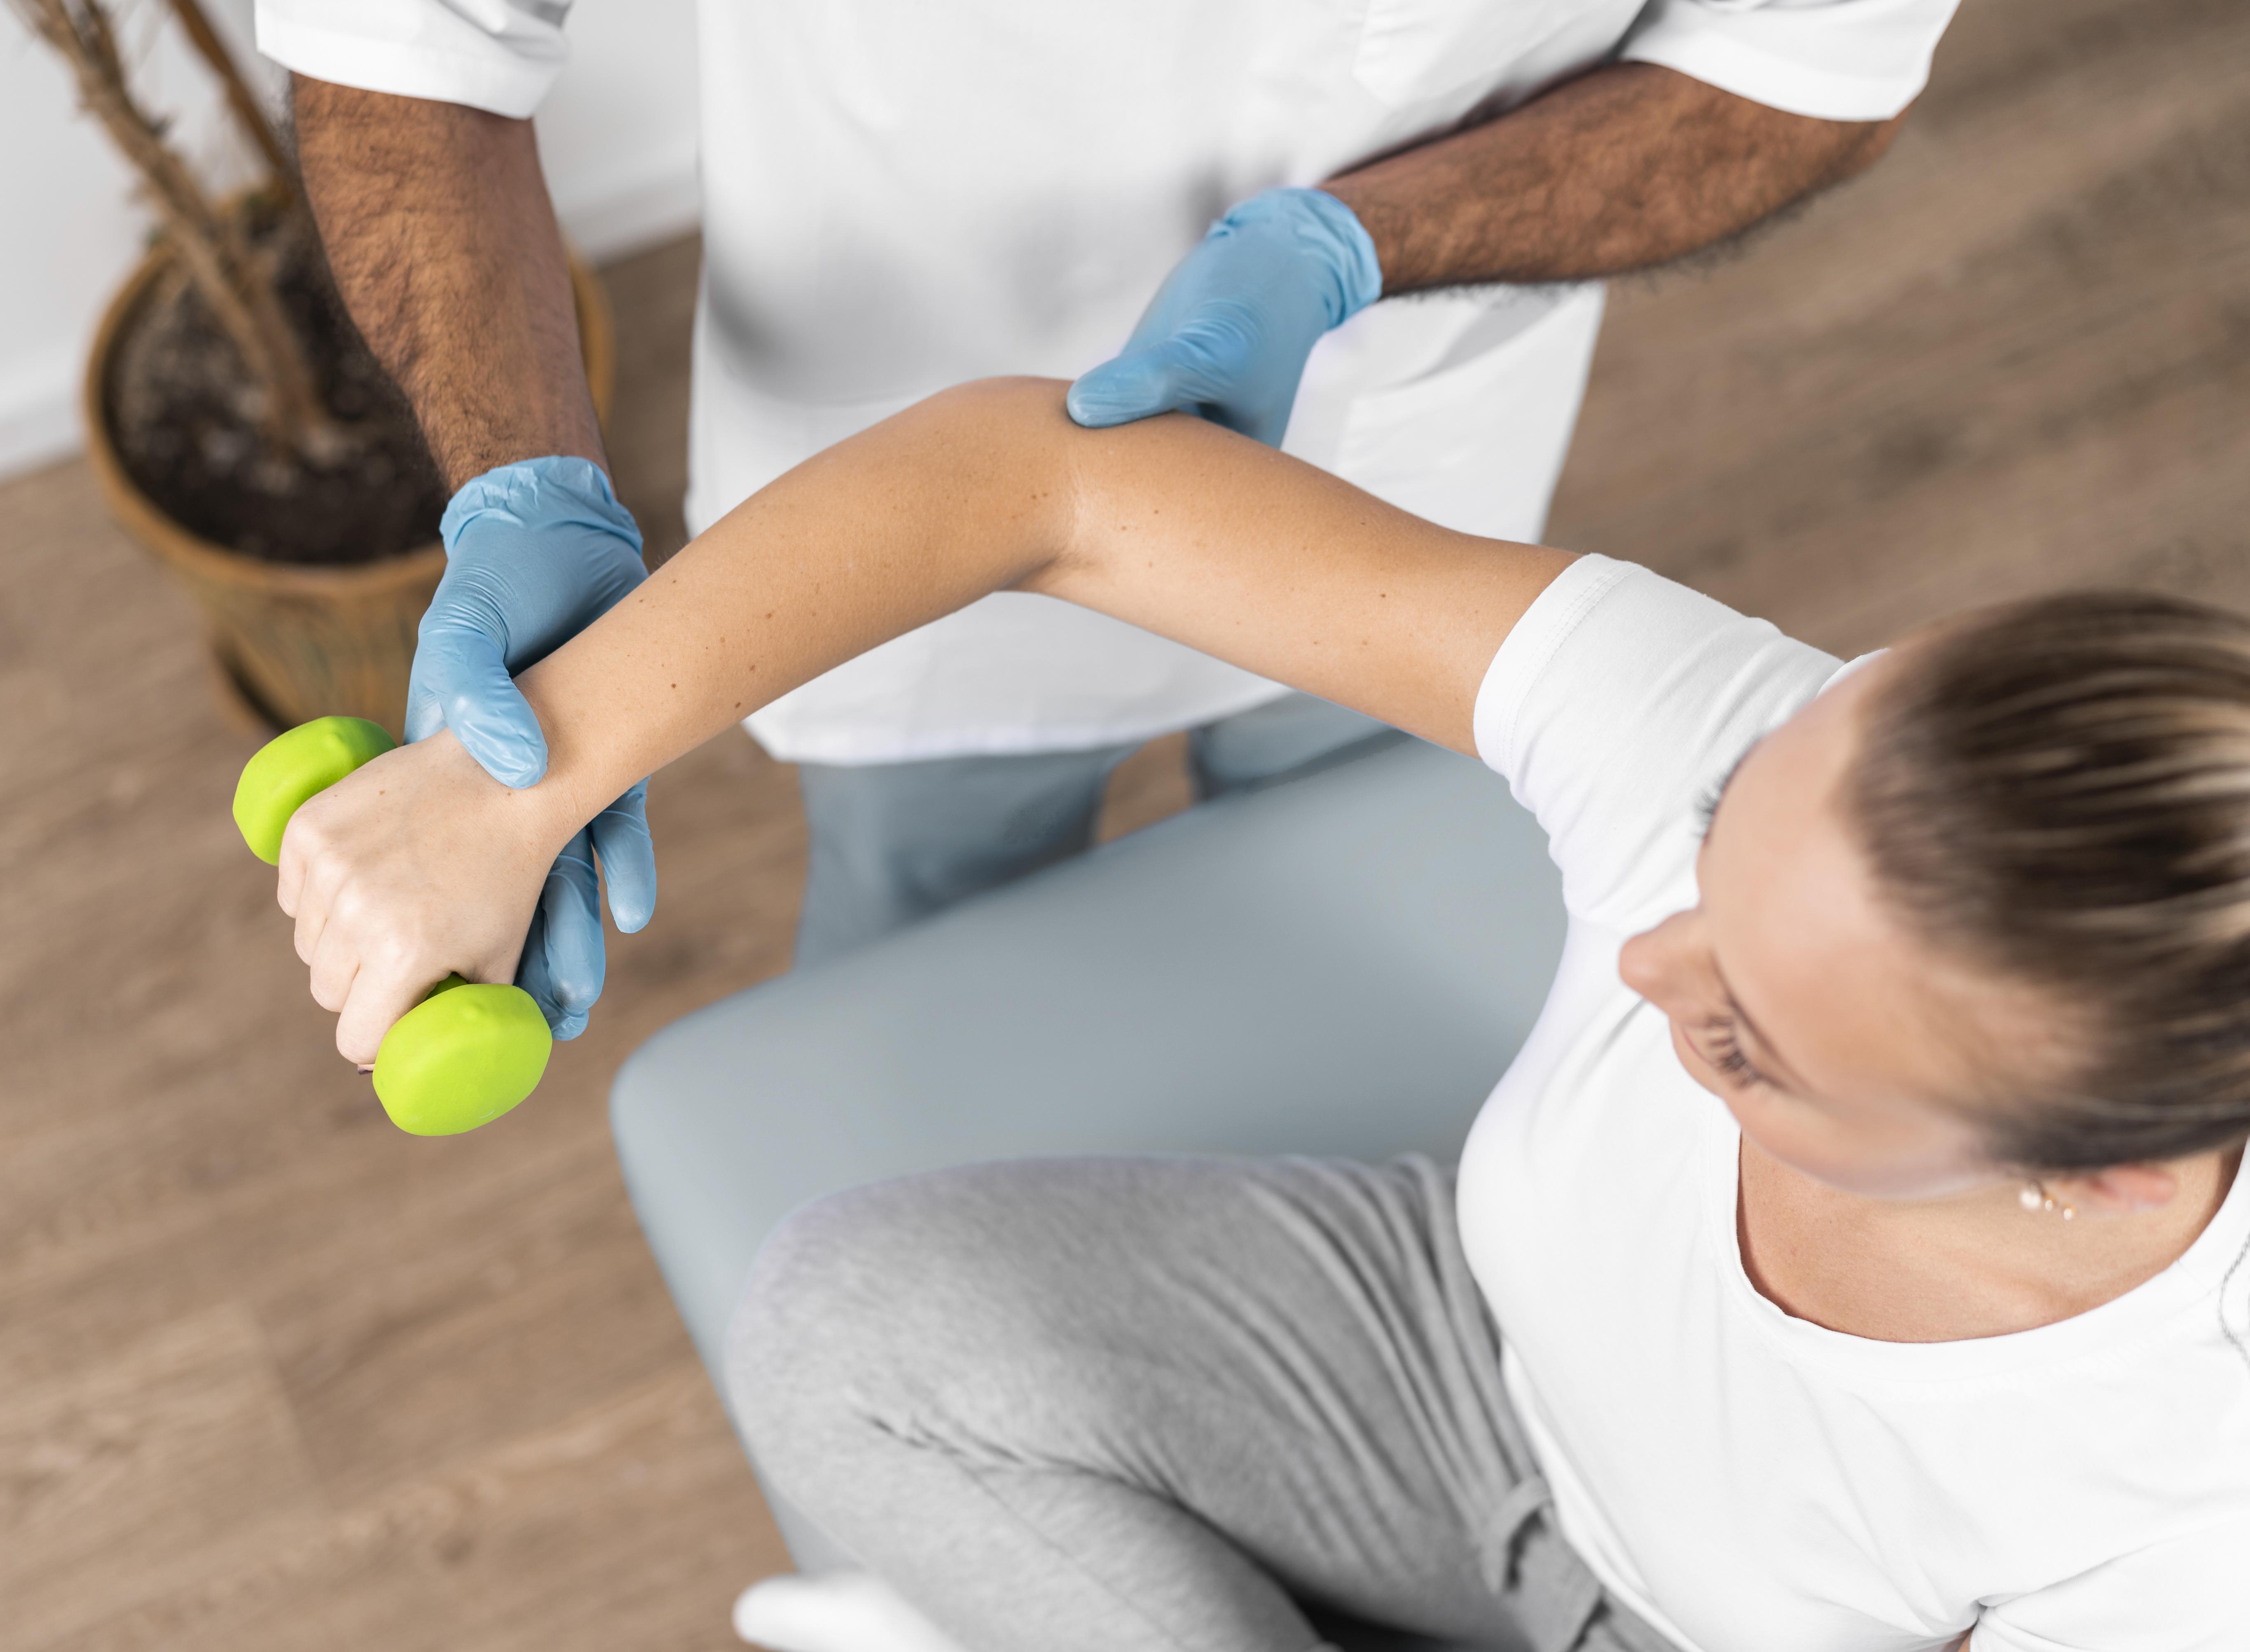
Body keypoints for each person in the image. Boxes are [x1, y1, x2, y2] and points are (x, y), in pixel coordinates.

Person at [275, 381, 2250, 1651]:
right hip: (1444, 1331)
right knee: (851, 1332)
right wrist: (524, 778)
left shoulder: (2182, 1503)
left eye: (1752, 1044)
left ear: (2106, 1176)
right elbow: (1052, 486)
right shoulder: (1736, 740)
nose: (1652, 964)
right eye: (1716, 863)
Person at [259, 0, 1962, 1026]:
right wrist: (520, 488)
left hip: (1412, 439)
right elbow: (398, 44)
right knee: (934, 939)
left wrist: (1361, 245)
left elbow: (1804, 65)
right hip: (883, 413)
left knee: (1363, 901)